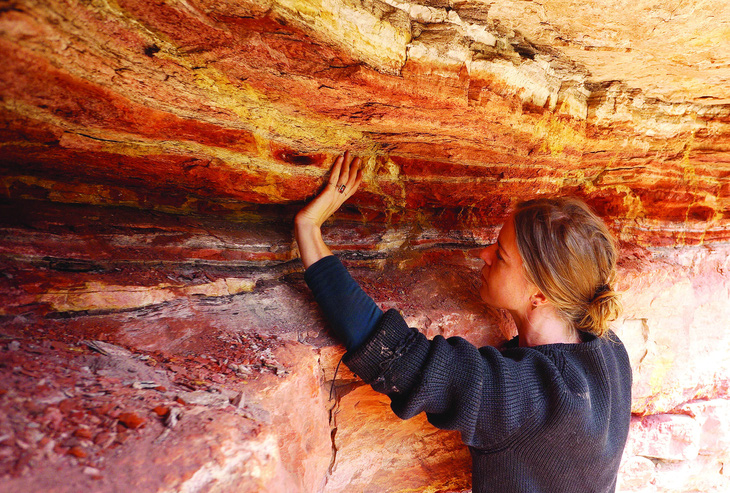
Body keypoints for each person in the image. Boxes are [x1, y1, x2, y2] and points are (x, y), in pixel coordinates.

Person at [295, 152, 632, 493]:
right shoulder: (610, 351)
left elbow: (391, 354)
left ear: (541, 295)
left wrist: (308, 228)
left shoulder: (520, 395)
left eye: (499, 255)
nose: (481, 254)